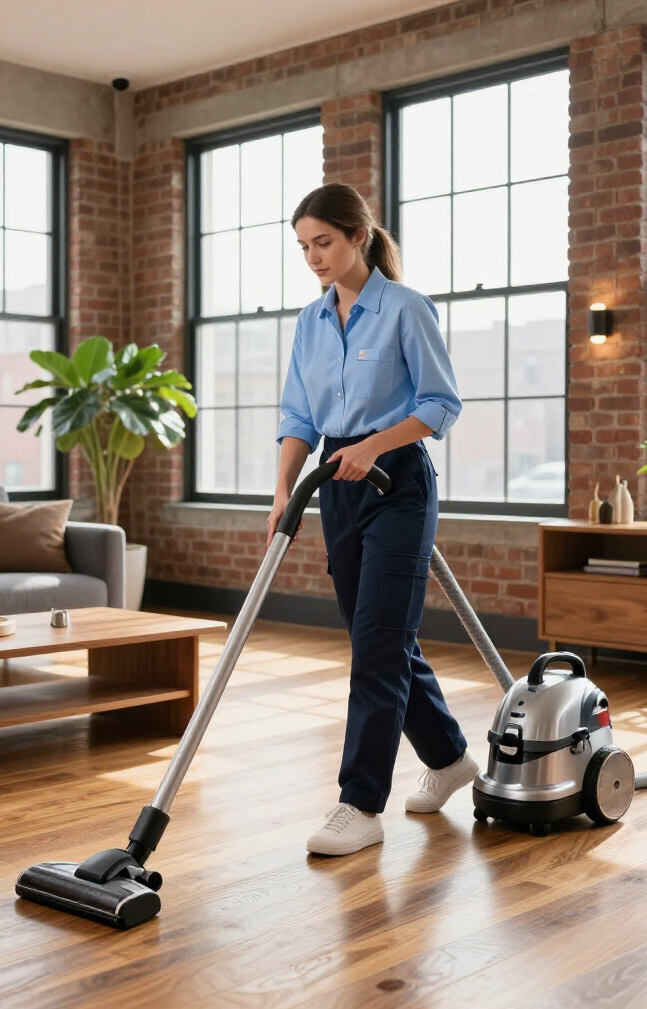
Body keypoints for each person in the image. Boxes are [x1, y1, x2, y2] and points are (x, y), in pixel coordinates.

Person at [267, 183, 478, 857]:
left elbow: (441, 404)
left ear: (359, 235)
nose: (313, 257)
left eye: (322, 242)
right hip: (335, 483)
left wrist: (374, 444)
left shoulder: (406, 309)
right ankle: (448, 759)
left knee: (380, 642)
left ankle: (360, 803)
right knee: (376, 636)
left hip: (398, 480)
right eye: (303, 247)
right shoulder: (310, 321)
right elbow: (299, 415)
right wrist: (282, 491)